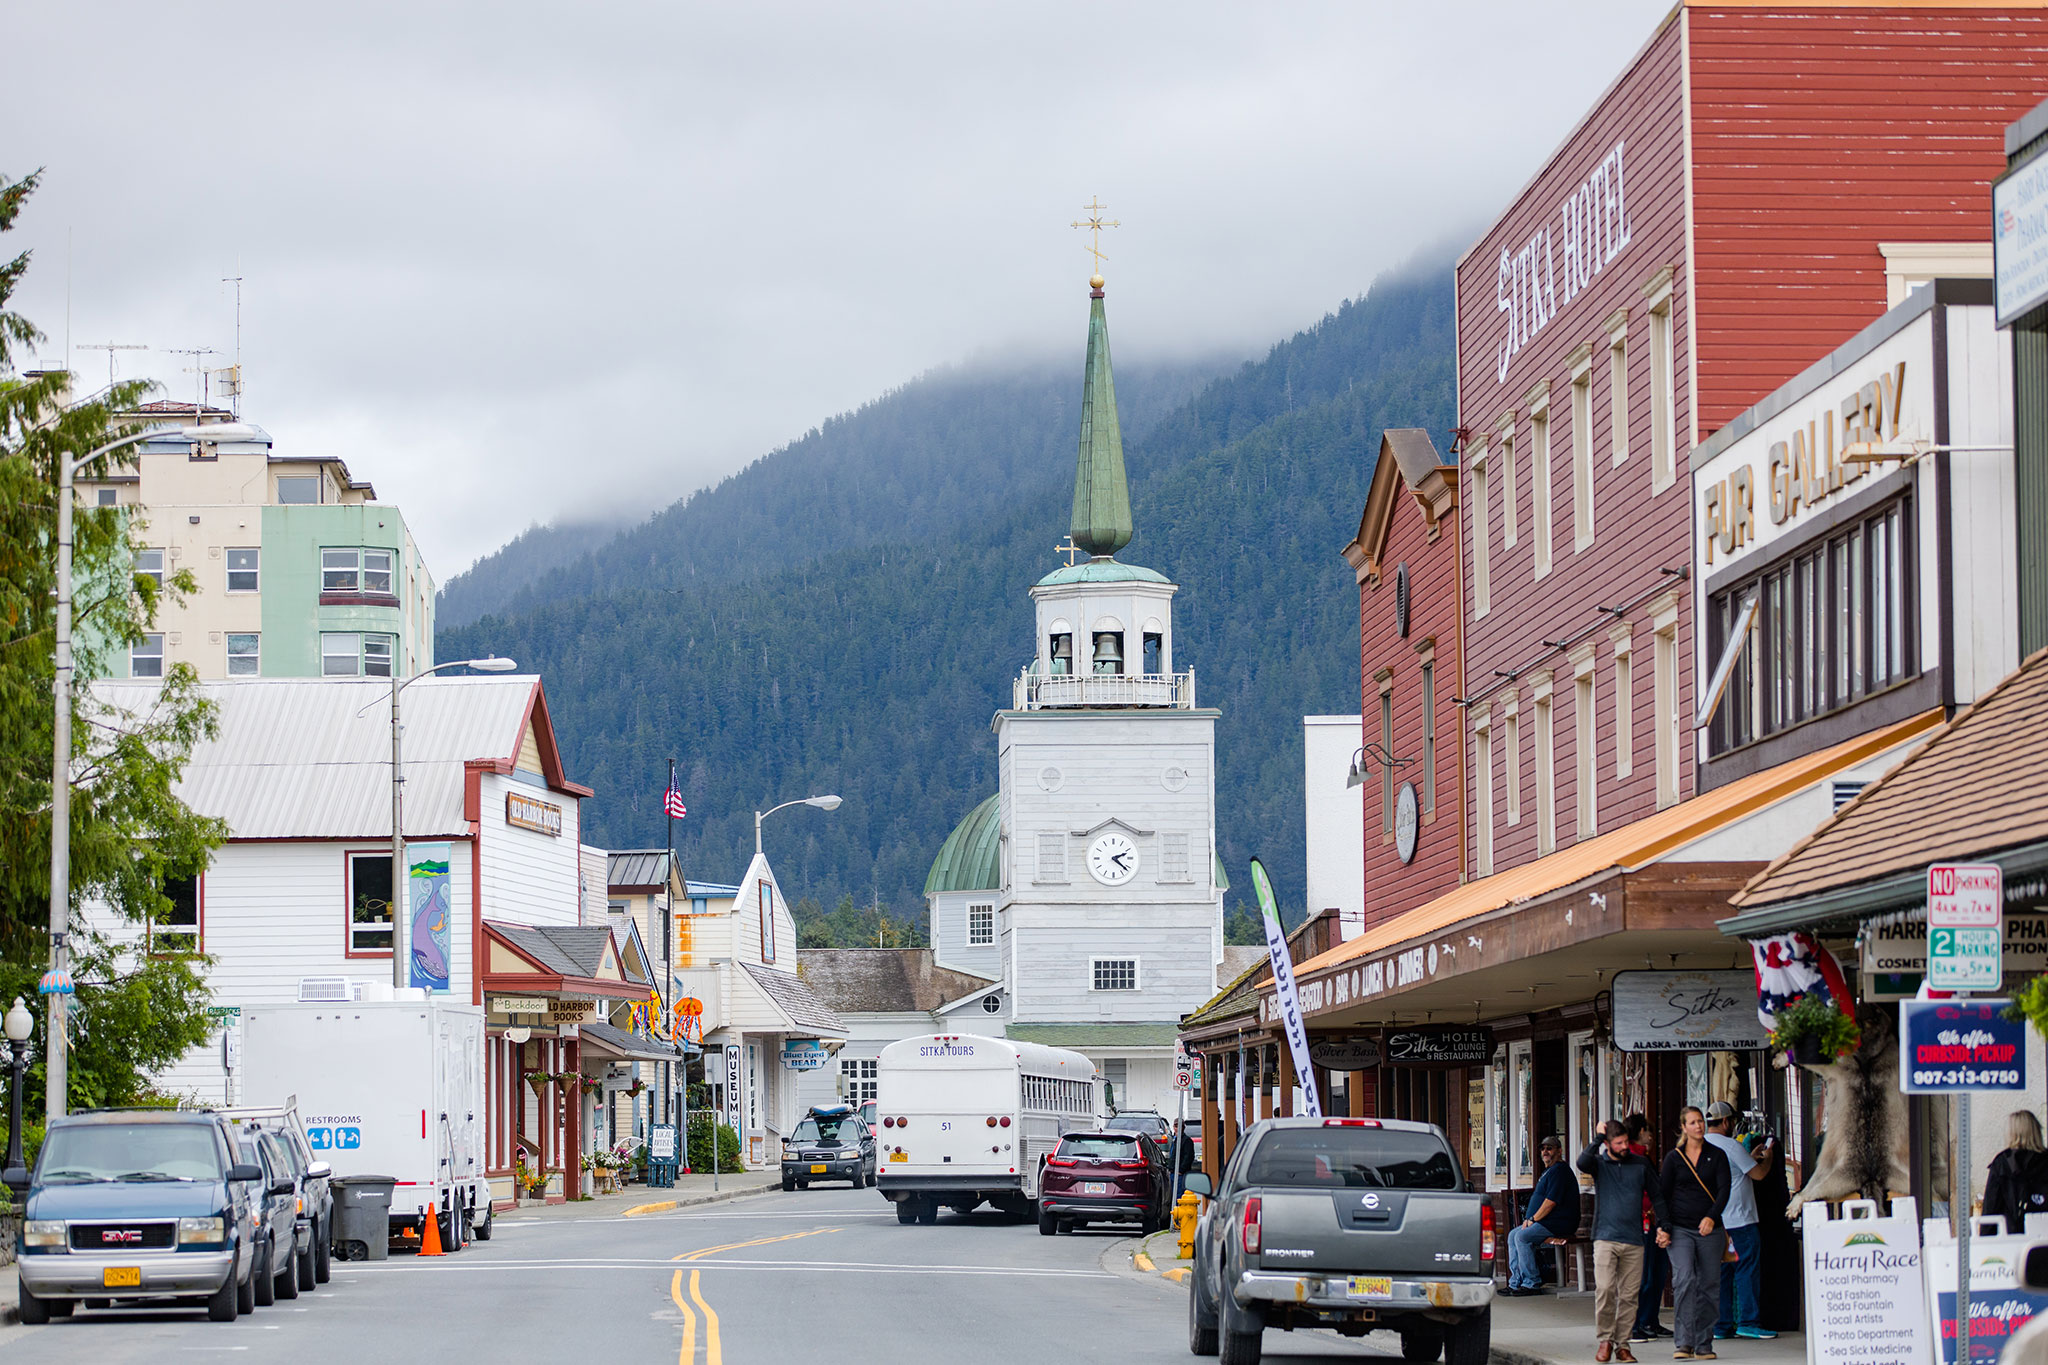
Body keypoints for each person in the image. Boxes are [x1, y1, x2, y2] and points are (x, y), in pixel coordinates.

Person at [1581, 1119, 1672, 1364]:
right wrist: (1598, 1138)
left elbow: (1658, 1196)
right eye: (1618, 1143)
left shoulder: (1640, 1165)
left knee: (1630, 1295)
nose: (1624, 1147)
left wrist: (1664, 1225)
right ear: (1608, 1144)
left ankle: (1622, 1344)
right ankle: (1604, 1340)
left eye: (1625, 1142)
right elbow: (1582, 1162)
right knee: (1606, 1289)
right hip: (1605, 1237)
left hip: (1634, 1238)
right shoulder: (1599, 1164)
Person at [1658, 1106, 1731, 1362]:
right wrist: (1663, 1226)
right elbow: (1662, 1195)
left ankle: (1703, 1342)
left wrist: (1712, 1216)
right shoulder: (1674, 1158)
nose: (1698, 1126)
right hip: (1680, 1229)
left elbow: (1724, 1191)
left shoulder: (1718, 1155)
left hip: (1711, 1230)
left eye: (1701, 1121)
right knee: (1685, 1279)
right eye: (1693, 1122)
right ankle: (1684, 1341)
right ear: (1684, 1127)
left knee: (1709, 1285)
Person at [1705, 1101, 1777, 1341]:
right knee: (1746, 1269)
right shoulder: (1731, 1146)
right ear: (1726, 1122)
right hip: (1740, 1219)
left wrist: (1749, 1156)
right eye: (1732, 1121)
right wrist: (1767, 1158)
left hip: (1714, 1220)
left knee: (1722, 1273)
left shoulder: (1700, 1145)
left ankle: (1721, 1325)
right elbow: (1758, 1174)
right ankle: (1749, 1321)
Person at [1506, 1136, 1581, 1295]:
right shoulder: (1549, 1171)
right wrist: (1531, 1219)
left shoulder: (1560, 1171)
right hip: (1546, 1221)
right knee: (1513, 1234)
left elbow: (1550, 1202)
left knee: (1522, 1237)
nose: (1545, 1151)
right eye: (1543, 1148)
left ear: (1559, 1151)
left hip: (1558, 1222)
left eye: (1550, 1148)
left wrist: (1533, 1219)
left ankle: (1531, 1283)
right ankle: (1515, 1282)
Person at [1627, 1114, 1672, 1343]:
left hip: (1653, 1222)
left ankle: (1649, 1320)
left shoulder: (1645, 1158)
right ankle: (1634, 1324)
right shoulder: (1630, 1157)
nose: (1651, 1138)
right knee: (1641, 1276)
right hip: (1638, 1223)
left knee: (1655, 1274)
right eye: (1648, 1132)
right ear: (1640, 1131)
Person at [1983, 1110, 2048, 1231]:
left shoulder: (2002, 1163)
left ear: (2012, 1134)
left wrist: (1985, 1242)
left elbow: (1990, 1209)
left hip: (2011, 1238)